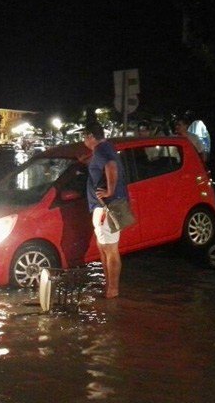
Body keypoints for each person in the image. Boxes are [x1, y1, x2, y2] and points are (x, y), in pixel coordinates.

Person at [84, 121, 129, 298]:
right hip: (109, 206)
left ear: (90, 137)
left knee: (109, 248)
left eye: (84, 137)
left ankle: (112, 289)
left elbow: (111, 166)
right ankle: (109, 286)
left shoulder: (102, 150)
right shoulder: (106, 148)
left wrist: (109, 191)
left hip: (107, 207)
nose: (83, 141)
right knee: (105, 247)